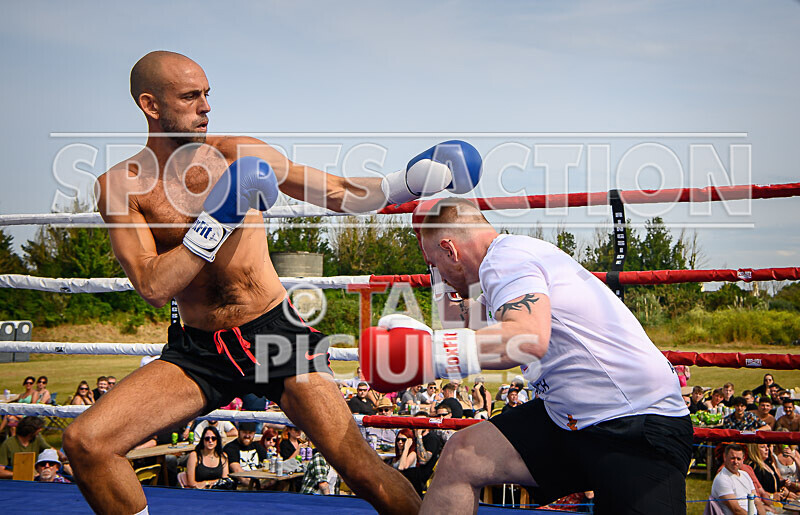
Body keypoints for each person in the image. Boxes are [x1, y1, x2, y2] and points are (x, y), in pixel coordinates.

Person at [62, 50, 481, 515]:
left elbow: (341, 193)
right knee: (86, 443)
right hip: (199, 350)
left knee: (363, 472)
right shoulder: (121, 185)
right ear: (150, 105)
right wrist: (216, 221)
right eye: (189, 96)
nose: (205, 107)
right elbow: (154, 286)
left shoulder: (238, 151)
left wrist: (408, 181)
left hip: (274, 336)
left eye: (207, 94)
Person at [361, 198, 693, 513]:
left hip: (634, 426)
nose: (438, 276)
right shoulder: (500, 276)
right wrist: (429, 231)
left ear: (451, 249)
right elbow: (463, 320)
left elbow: (528, 338)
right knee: (460, 457)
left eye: (435, 266)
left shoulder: (507, 260)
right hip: (569, 419)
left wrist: (428, 353)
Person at [711, 444, 767, 515]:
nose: (735, 462)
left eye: (738, 459)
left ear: (743, 459)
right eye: (732, 458)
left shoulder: (745, 474)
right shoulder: (722, 479)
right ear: (725, 457)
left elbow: (757, 501)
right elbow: (736, 510)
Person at [223, 421, 267, 489]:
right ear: (239, 432)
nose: (247, 436)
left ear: (254, 433)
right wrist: (255, 485)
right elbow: (238, 472)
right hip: (240, 486)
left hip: (259, 483)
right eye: (244, 432)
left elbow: (267, 464)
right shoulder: (231, 448)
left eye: (250, 433)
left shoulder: (258, 447)